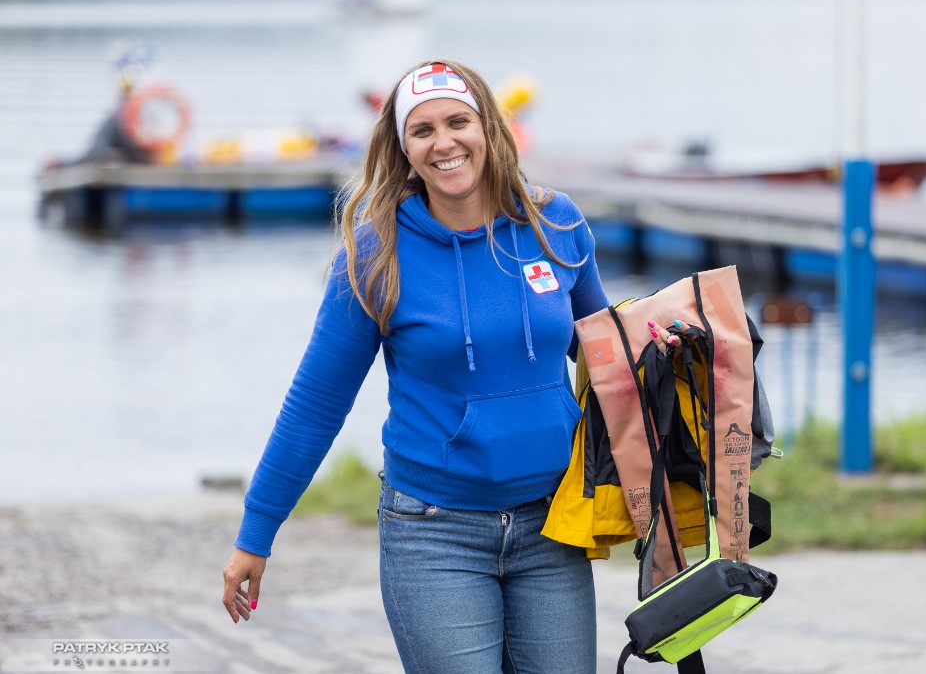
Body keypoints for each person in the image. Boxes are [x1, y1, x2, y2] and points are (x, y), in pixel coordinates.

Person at [220, 58, 681, 674]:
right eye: (423, 129)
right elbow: (316, 404)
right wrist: (257, 533)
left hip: (552, 524)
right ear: (403, 148)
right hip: (433, 535)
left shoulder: (554, 224)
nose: (444, 143)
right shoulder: (375, 253)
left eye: (458, 122)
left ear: (488, 126)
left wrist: (667, 344)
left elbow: (604, 354)